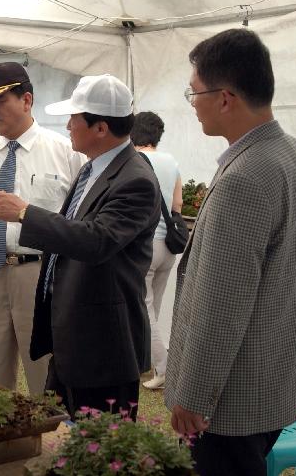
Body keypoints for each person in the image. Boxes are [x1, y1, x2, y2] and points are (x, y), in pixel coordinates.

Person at [164, 29, 296, 476]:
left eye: (194, 92)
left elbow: (223, 301)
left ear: (225, 98)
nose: (193, 102)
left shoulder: (246, 176)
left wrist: (194, 395)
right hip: (271, 378)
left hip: (231, 396)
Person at [0, 74, 160, 419]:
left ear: (101, 128)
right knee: (60, 432)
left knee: (99, 446)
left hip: (102, 346)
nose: (68, 125)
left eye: (75, 119)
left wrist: (24, 213)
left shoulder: (135, 179)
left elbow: (96, 240)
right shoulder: (96, 167)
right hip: (74, 336)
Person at [0, 62, 84, 395]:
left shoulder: (65, 152)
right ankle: (3, 443)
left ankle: (45, 443)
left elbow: (75, 221)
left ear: (27, 100)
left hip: (40, 273)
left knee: (43, 376)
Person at [130, 111, 182, 391]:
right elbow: (177, 203)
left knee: (143, 308)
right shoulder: (171, 161)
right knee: (153, 307)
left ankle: (164, 369)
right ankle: (146, 363)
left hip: (144, 243)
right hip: (168, 246)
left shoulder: (133, 160)